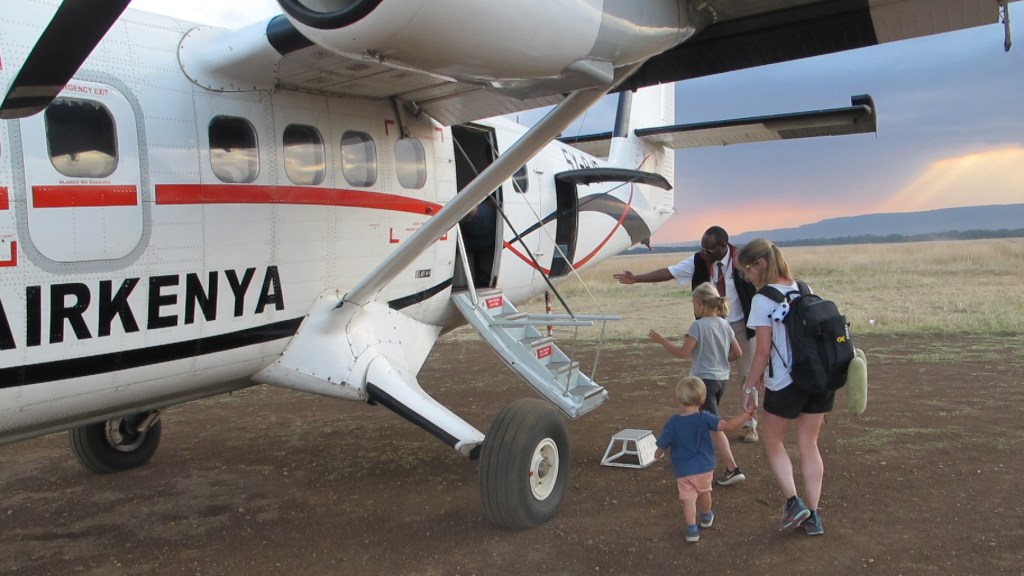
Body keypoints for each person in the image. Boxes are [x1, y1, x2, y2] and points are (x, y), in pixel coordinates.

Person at [615, 226, 760, 444]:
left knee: (748, 376)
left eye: (709, 249)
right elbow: (669, 272)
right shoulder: (698, 261)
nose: (704, 253)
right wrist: (636, 279)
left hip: (740, 324)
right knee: (706, 378)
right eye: (703, 248)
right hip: (709, 326)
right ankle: (707, 423)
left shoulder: (741, 259)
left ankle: (750, 425)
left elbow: (763, 282)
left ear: (723, 246)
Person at [737, 238, 829, 536]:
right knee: (809, 444)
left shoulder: (763, 299)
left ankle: (793, 502)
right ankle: (813, 515)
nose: (747, 277)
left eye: (747, 271)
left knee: (773, 441)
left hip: (786, 383)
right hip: (818, 378)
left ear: (761, 264)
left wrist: (748, 388)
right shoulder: (804, 288)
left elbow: (762, 352)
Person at [649, 282, 747, 487]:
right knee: (705, 421)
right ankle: (697, 455)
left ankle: (733, 467)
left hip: (703, 382)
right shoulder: (724, 324)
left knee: (714, 425)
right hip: (721, 380)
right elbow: (737, 352)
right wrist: (720, 362)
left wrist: (661, 341)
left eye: (694, 303)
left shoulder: (698, 326)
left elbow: (683, 353)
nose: (693, 307)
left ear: (701, 304)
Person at [654, 376, 757, 543]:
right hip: (704, 467)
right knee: (704, 492)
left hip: (683, 470)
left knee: (688, 499)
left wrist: (658, 454)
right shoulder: (706, 418)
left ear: (678, 399)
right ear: (702, 400)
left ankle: (691, 530)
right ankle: (706, 515)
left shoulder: (673, 423)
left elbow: (662, 445)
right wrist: (746, 415)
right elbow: (728, 426)